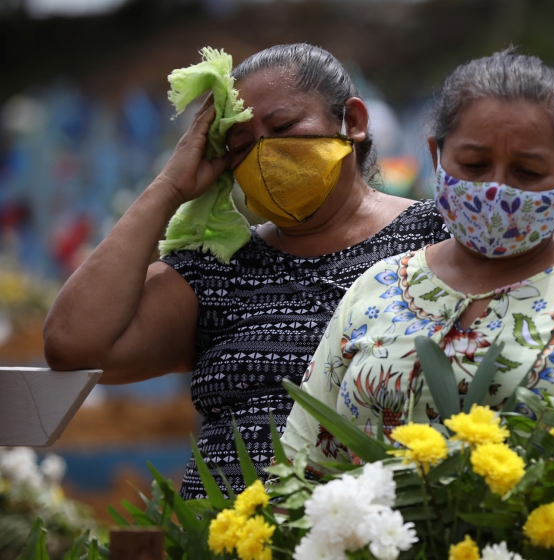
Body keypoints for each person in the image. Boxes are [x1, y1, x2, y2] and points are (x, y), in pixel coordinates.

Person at [281, 49, 554, 465]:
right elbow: (301, 466)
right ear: (436, 158)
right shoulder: (377, 290)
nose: (496, 189)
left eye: (527, 171)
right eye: (475, 166)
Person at [43, 44, 450, 499]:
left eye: (283, 127)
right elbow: (72, 344)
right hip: (224, 536)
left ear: (352, 122)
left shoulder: (438, 238)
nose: (264, 153)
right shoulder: (217, 270)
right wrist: (168, 187)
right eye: (240, 146)